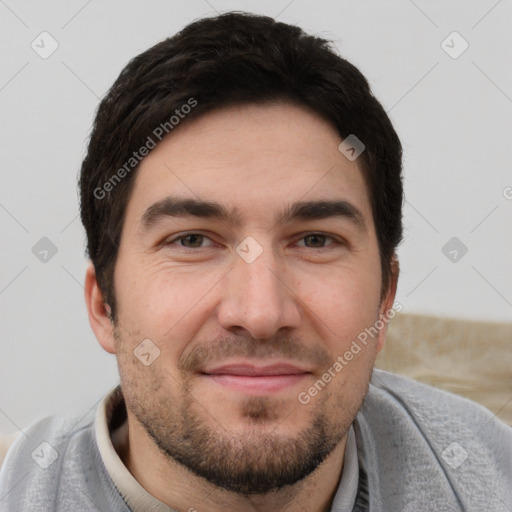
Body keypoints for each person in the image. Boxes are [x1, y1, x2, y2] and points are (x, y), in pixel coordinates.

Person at [0, 11, 510, 512]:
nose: (261, 313)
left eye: (314, 240)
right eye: (193, 240)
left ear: (384, 302)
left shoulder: (488, 472)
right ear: (104, 306)